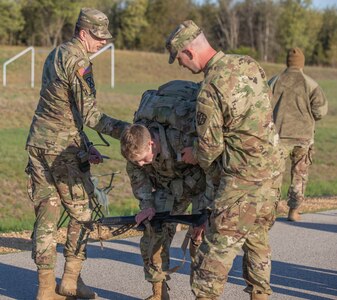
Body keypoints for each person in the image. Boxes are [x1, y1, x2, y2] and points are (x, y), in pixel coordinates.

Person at [166, 20, 284, 300]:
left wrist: (193, 154)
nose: (181, 66)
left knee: (214, 251)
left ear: (189, 53)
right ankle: (260, 295)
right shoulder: (249, 64)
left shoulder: (210, 88)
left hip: (241, 180)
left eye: (179, 59)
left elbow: (210, 149)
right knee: (256, 240)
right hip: (272, 172)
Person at [25, 8, 128, 300]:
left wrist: (85, 143)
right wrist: (128, 131)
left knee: (46, 217)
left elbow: (63, 110)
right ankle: (70, 281)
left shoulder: (55, 54)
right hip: (62, 153)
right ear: (84, 33)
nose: (102, 43)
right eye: (98, 37)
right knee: (82, 215)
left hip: (38, 144)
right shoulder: (80, 61)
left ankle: (44, 290)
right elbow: (91, 115)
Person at [120, 80, 218, 300]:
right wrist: (146, 205)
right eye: (138, 162)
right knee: (153, 235)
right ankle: (158, 293)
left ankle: (204, 296)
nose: (142, 165)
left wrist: (208, 211)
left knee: (203, 241)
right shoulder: (135, 149)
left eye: (145, 159)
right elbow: (138, 177)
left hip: (202, 185)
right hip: (169, 185)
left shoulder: (185, 136)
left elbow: (213, 168)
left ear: (152, 144)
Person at [268, 47, 328, 221]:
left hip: (278, 137)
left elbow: (262, 105)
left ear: (287, 62)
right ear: (302, 63)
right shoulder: (310, 83)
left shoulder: (275, 80)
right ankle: (293, 211)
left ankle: (269, 212)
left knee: (274, 176)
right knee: (299, 176)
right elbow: (321, 111)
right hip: (303, 138)